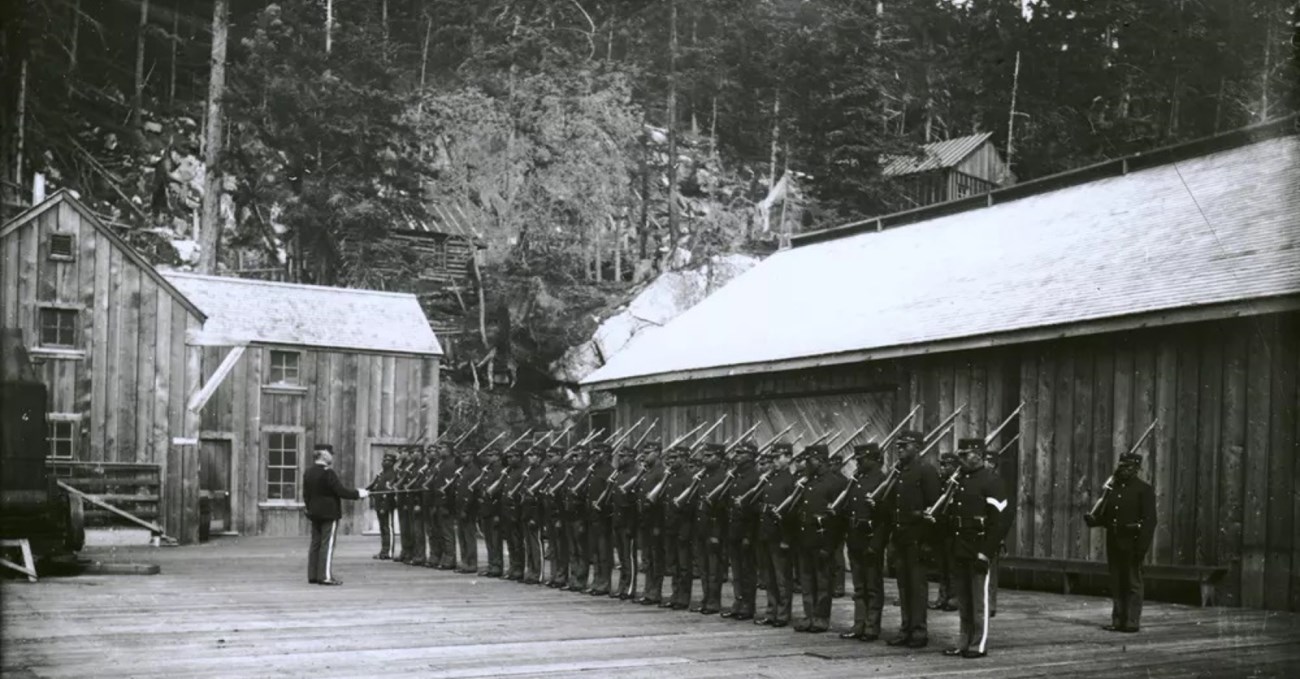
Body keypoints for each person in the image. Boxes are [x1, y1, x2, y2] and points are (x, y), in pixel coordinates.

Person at [940, 438, 1008, 659]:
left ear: (978, 454)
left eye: (965, 455)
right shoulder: (960, 481)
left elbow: (1000, 522)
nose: (960, 459)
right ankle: (964, 641)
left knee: (979, 601)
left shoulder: (992, 481)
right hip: (960, 547)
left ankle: (978, 644)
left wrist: (986, 552)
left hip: (979, 547)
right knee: (964, 601)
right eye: (959, 455)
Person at [1084, 451, 1156, 633]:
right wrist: (1095, 521)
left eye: (1128, 467)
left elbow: (1149, 522)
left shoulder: (1144, 490)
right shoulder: (1113, 490)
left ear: (1137, 469)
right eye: (1122, 467)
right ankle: (1118, 620)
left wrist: (1141, 548)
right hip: (1114, 542)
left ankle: (1131, 621)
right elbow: (1108, 517)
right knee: (1117, 582)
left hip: (1133, 543)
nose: (1124, 470)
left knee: (1132, 583)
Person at [885, 430, 941, 649]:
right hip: (901, 538)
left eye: (904, 446)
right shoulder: (899, 473)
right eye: (898, 446)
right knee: (903, 587)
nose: (900, 449)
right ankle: (905, 628)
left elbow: (934, 509)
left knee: (917, 588)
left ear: (917, 447)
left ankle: (918, 632)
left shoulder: (926, 472)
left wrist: (928, 542)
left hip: (918, 539)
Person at [793, 444, 848, 633]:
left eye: (811, 460)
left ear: (822, 460)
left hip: (822, 540)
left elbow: (837, 519)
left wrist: (829, 545)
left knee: (823, 582)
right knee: (807, 581)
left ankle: (821, 618)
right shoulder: (807, 481)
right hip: (805, 538)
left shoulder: (835, 483)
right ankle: (809, 616)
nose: (807, 463)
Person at [839, 442, 889, 642]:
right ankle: (859, 623)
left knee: (873, 586)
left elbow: (885, 519)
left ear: (873, 459)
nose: (858, 463)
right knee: (859, 586)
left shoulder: (882, 481)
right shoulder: (857, 480)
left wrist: (876, 544)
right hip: (855, 537)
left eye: (862, 459)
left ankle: (871, 626)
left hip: (870, 538)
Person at [304, 444, 369, 585]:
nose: (332, 456)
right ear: (323, 454)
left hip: (314, 513)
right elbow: (342, 492)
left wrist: (310, 510)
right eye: (330, 453)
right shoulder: (328, 473)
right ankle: (325, 576)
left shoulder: (308, 472)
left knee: (315, 544)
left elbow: (306, 495)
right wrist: (359, 493)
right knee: (327, 545)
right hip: (329, 514)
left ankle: (313, 575)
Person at [756, 442, 797, 628]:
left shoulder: (790, 481)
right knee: (769, 577)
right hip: (766, 533)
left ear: (788, 458)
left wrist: (787, 539)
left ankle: (782, 613)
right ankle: (771, 611)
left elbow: (791, 513)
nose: (774, 461)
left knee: (782, 578)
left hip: (780, 535)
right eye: (772, 458)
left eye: (777, 458)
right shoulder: (770, 478)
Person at [367, 451, 398, 560]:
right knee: (382, 528)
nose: (385, 462)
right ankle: (383, 550)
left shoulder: (392, 474)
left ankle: (388, 551)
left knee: (388, 527)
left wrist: (384, 506)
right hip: (379, 503)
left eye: (388, 461)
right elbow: (373, 486)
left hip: (387, 505)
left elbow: (388, 491)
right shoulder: (381, 474)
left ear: (393, 463)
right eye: (384, 460)